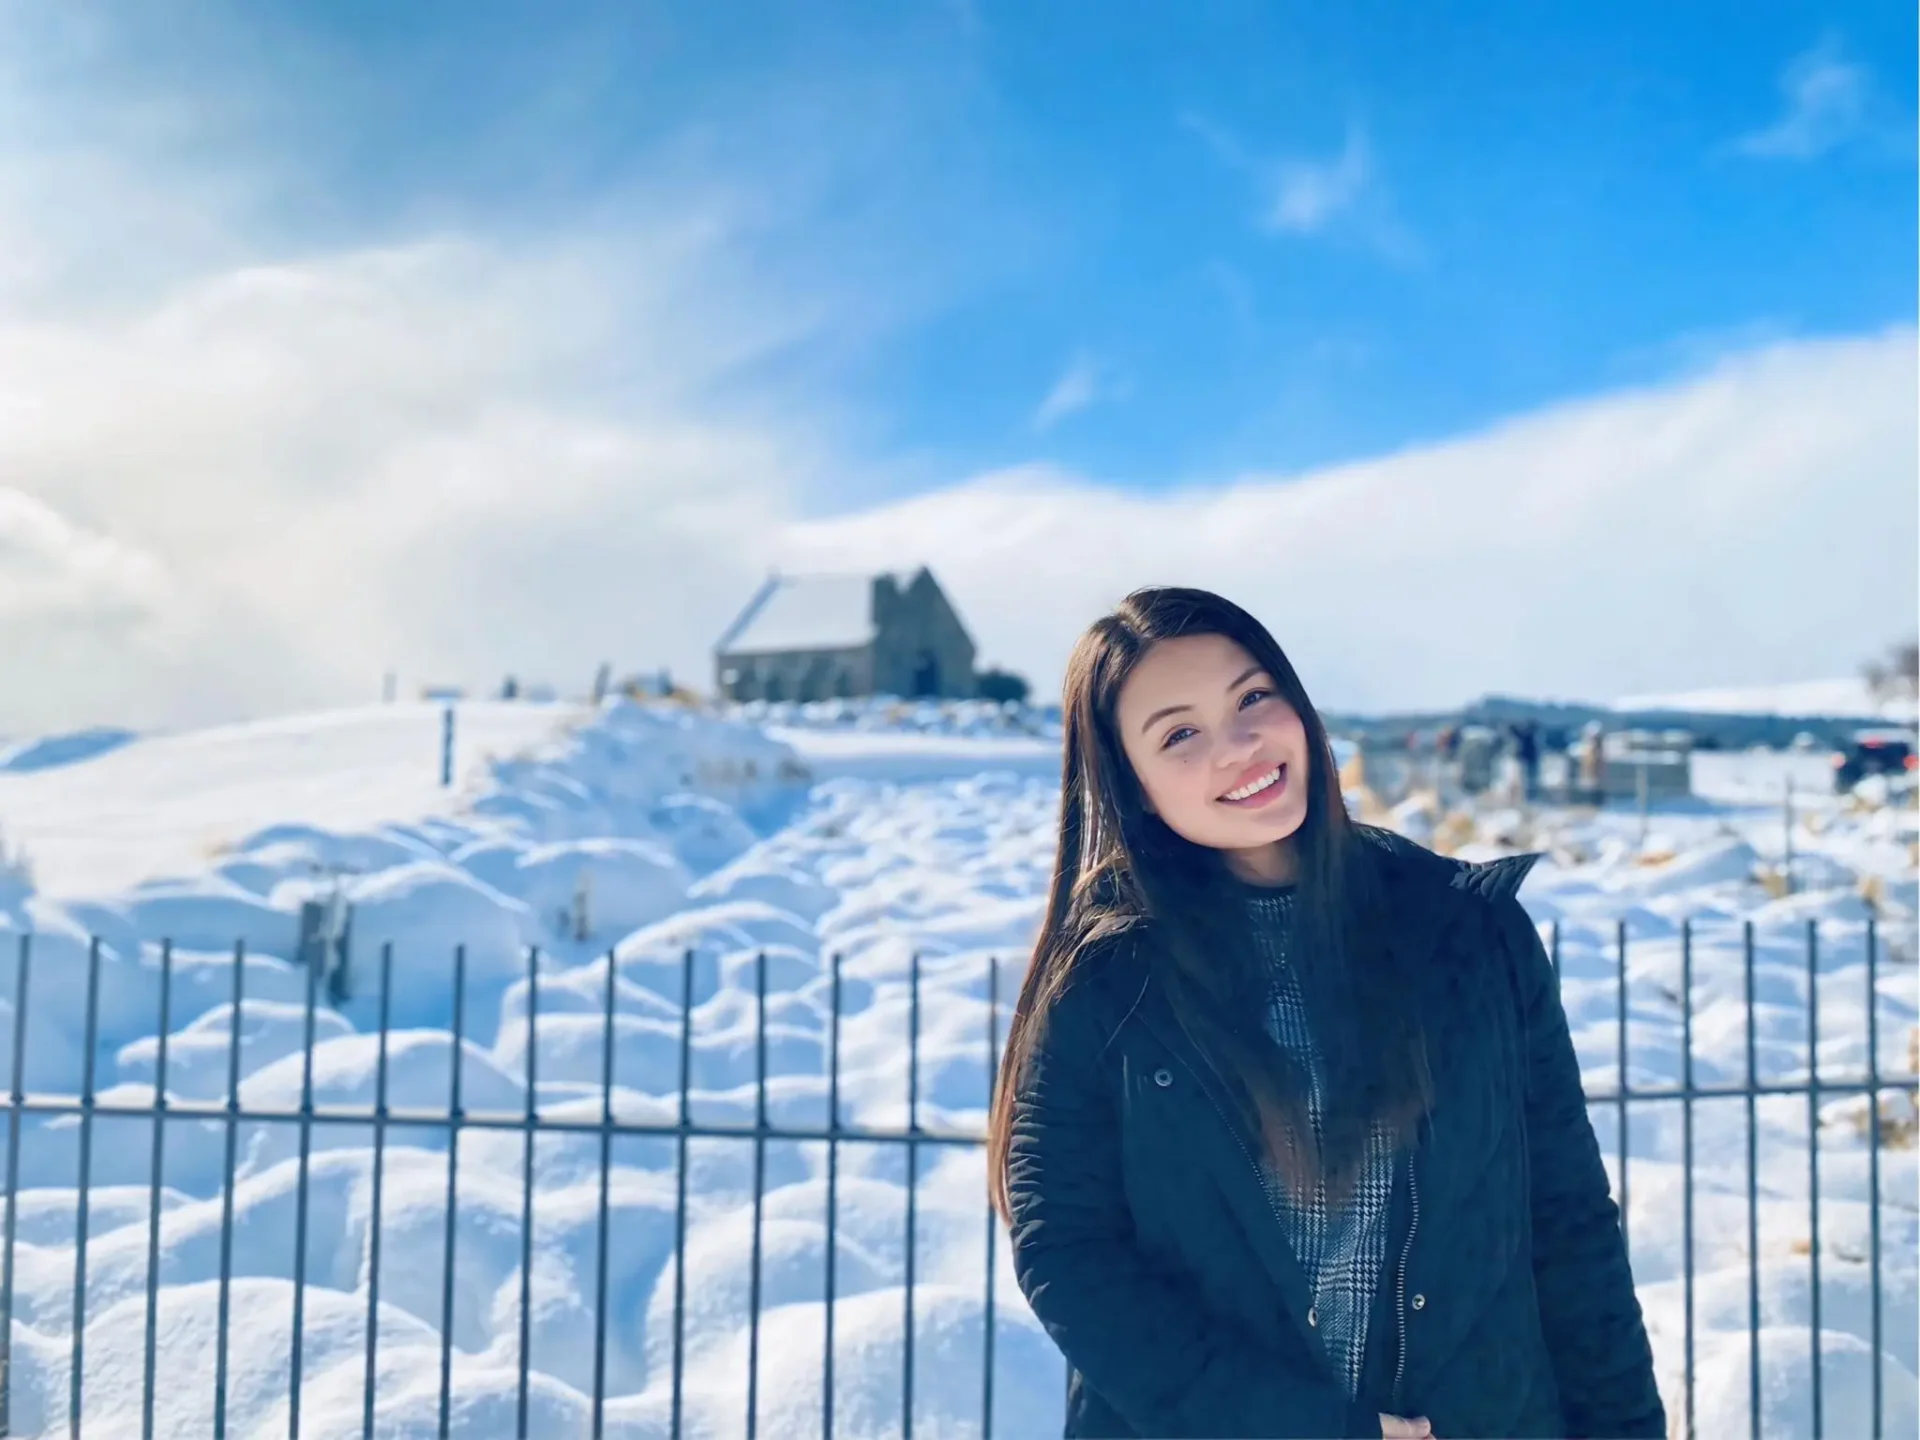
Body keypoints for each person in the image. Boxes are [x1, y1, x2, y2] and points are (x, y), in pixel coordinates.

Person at [986, 587, 1664, 1439]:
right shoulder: (1106, 985)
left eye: (1253, 698)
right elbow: (1070, 1259)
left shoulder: (1469, 932)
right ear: (1135, 786)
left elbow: (1567, 1224)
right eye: (1181, 734)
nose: (1240, 747)